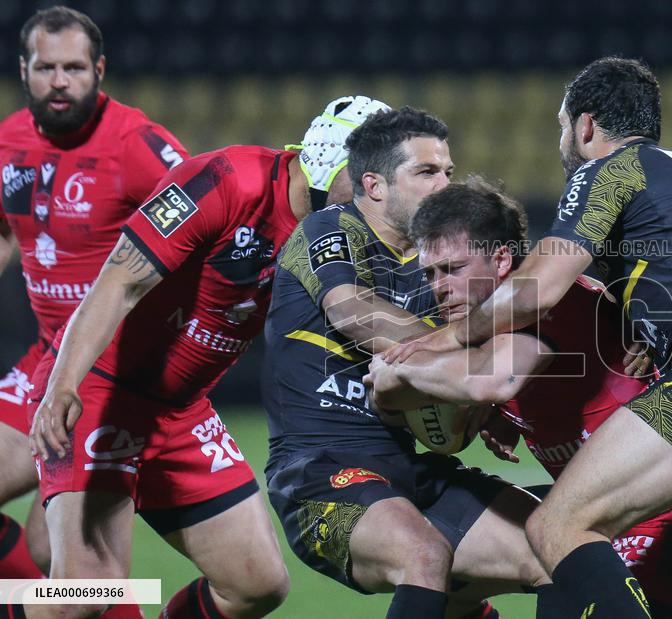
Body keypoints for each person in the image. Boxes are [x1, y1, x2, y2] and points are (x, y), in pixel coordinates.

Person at [386, 57, 672, 618]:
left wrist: (445, 341)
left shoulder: (612, 169)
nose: (563, 143)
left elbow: (536, 289)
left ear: (586, 127)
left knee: (558, 523)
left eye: (562, 128)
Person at [25, 94, 388, 619]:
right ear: (328, 163)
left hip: (181, 412)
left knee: (257, 584)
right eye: (369, 180)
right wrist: (63, 383)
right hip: (101, 386)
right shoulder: (227, 180)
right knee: (87, 591)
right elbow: (120, 281)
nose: (377, 198)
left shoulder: (345, 236)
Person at [366, 179, 672, 619]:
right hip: (596, 518)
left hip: (664, 517)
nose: (439, 287)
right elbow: (456, 424)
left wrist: (396, 370)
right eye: (430, 274)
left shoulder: (543, 301)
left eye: (453, 269)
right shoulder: (485, 328)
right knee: (446, 577)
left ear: (503, 259)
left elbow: (491, 382)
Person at [262, 110, 550, 619]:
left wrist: (490, 396)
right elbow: (350, 310)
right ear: (372, 185)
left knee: (548, 549)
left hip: (407, 471)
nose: (445, 184)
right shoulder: (328, 228)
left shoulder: (432, 264)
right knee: (424, 555)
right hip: (318, 473)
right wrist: (466, 363)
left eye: (447, 170)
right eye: (427, 172)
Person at [0, 5, 187, 582]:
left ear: (99, 69)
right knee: (49, 563)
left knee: (72, 566)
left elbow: (206, 233)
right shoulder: (6, 142)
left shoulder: (141, 147)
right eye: (47, 67)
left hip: (114, 375)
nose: (61, 81)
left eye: (75, 68)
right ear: (24, 68)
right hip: (45, 358)